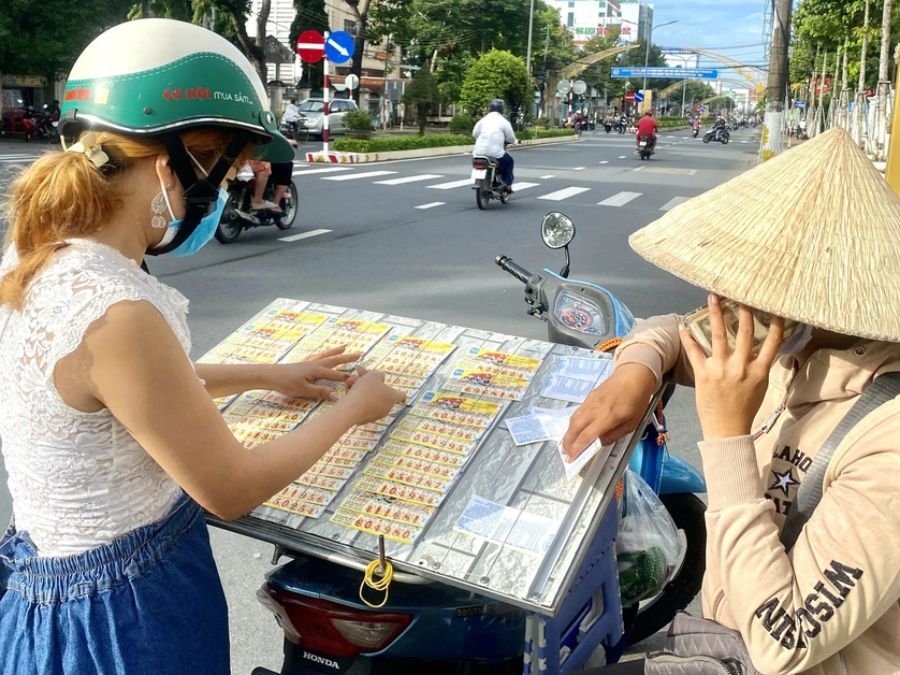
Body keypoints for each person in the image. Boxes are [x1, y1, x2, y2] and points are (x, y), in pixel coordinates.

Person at [0, 18, 405, 675]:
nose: (223, 193)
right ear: (169, 167)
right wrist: (350, 410)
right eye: (224, 172)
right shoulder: (115, 309)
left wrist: (270, 375)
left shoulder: (41, 254)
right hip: (123, 619)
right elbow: (228, 487)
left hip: (59, 594)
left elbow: (136, 394)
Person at [569, 128, 900, 674]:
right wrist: (634, 371)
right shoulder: (789, 351)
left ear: (805, 305)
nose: (727, 304)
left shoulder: (885, 441)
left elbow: (785, 641)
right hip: (727, 631)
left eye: (754, 284)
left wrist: (727, 434)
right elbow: (674, 331)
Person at [472, 98, 517, 189]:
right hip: (495, 153)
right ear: (502, 110)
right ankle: (506, 184)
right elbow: (511, 139)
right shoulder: (504, 122)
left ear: (490, 109)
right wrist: (512, 141)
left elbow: (474, 134)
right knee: (509, 162)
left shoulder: (482, 120)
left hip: (478, 152)